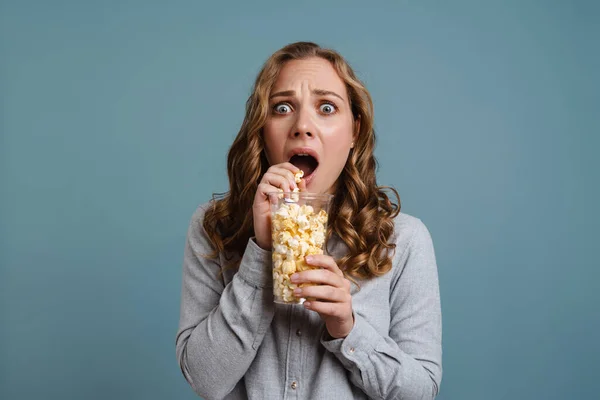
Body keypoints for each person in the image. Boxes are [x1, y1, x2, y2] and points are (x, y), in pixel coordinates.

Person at [176, 41, 442, 400]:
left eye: (327, 107)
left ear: (355, 133)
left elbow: (420, 392)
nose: (302, 126)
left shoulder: (404, 240)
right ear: (261, 130)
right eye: (282, 108)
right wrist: (261, 253)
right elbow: (205, 380)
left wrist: (347, 329)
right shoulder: (213, 227)